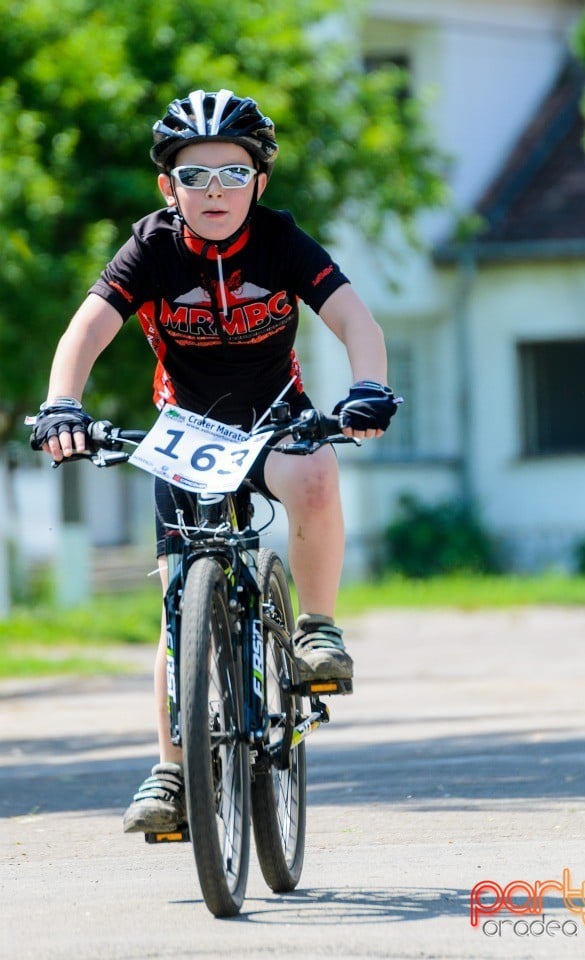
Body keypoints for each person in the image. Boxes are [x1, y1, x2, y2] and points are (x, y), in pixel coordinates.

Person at [31, 89, 400, 834]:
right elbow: (87, 328)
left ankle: (318, 628)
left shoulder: (281, 240)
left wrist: (368, 388)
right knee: (178, 611)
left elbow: (354, 318)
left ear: (259, 183)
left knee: (317, 473)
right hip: (186, 428)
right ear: (168, 187)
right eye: (194, 177)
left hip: (271, 419)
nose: (215, 193)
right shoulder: (153, 246)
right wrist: (63, 403)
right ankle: (172, 771)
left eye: (233, 175)